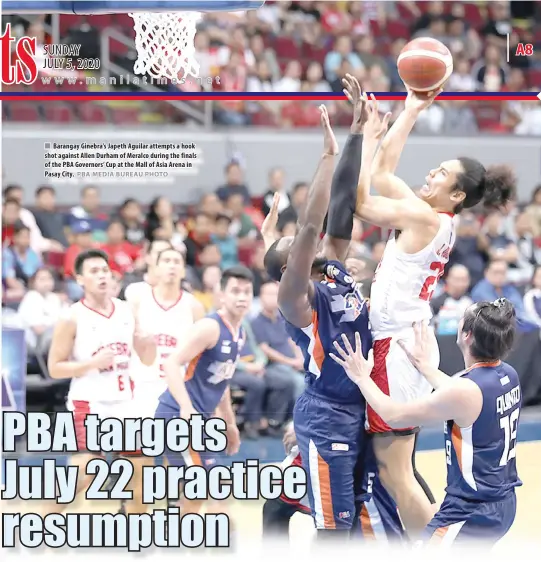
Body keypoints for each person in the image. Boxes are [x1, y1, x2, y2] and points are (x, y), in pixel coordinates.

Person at [351, 90, 516, 534]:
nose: (431, 173)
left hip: (398, 345)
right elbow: (385, 173)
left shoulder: (427, 220)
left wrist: (365, 138)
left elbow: (361, 201)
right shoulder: (431, 214)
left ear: (456, 193)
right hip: (404, 342)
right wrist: (411, 108)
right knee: (395, 467)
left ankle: (432, 548)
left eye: (441, 172)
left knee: (396, 471)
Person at [264, 94, 378, 536]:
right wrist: (327, 156)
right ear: (285, 267)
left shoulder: (330, 265)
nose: (298, 240)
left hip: (363, 406)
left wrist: (353, 135)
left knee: (356, 523)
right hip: (329, 412)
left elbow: (342, 204)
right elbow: (311, 224)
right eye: (289, 246)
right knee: (333, 527)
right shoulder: (295, 298)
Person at [331, 299, 521, 548]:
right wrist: (424, 366)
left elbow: (393, 415)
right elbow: (459, 394)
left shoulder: (465, 390)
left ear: (467, 335)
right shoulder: (507, 373)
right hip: (503, 501)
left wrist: (361, 377)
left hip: (472, 512)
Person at [47, 249, 156, 515]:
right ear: (80, 279)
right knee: (86, 471)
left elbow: (148, 358)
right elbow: (54, 368)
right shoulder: (71, 317)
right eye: (94, 272)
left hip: (126, 402)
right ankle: (42, 520)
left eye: (105, 270)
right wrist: (91, 364)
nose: (102, 276)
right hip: (89, 402)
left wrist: (147, 344)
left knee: (141, 473)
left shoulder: (126, 310)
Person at [157, 265, 254, 515]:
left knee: (200, 493)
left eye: (246, 291)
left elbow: (221, 383)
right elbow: (170, 363)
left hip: (202, 420)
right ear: (221, 294)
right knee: (212, 487)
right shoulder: (209, 327)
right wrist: (187, 409)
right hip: (177, 416)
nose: (241, 297)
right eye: (235, 291)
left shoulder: (240, 333)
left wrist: (230, 424)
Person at [263, 422, 405, 544]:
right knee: (276, 505)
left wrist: (307, 426)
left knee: (341, 525)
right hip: (325, 437)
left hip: (349, 448)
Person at [130, 247, 205, 419]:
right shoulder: (138, 299)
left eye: (177, 262)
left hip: (177, 388)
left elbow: (200, 354)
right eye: (166, 261)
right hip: (142, 385)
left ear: (183, 270)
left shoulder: (194, 306)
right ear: (155, 268)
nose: (172, 266)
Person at [123, 239, 173, 303]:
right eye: (159, 253)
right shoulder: (131, 284)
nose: (164, 257)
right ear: (147, 257)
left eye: (168, 253)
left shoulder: (179, 286)